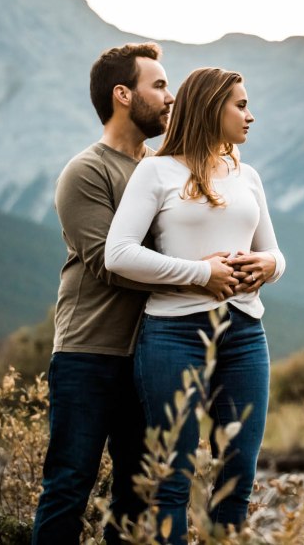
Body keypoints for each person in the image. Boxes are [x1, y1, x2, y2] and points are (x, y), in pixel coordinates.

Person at [32, 43, 240, 544]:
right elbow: (109, 265)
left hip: (153, 355)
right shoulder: (87, 171)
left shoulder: (164, 169)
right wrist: (200, 274)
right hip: (90, 353)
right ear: (123, 95)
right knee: (69, 485)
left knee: (137, 492)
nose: (171, 98)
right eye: (160, 85)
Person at [105, 67, 285, 543]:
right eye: (240, 105)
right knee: (173, 476)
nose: (250, 116)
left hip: (245, 333)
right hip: (173, 334)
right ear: (210, 108)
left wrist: (269, 265)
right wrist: (202, 274)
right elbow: (118, 253)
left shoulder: (247, 176)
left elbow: (274, 252)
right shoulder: (156, 171)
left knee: (238, 475)